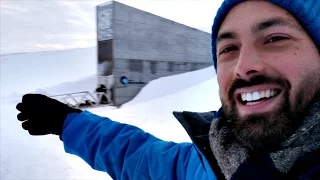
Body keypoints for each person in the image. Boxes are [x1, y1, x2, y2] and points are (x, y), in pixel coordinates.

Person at [15, 0, 320, 179]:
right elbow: (139, 157)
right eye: (228, 48)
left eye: (275, 38)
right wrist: (69, 122)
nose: (244, 66)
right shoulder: (212, 162)